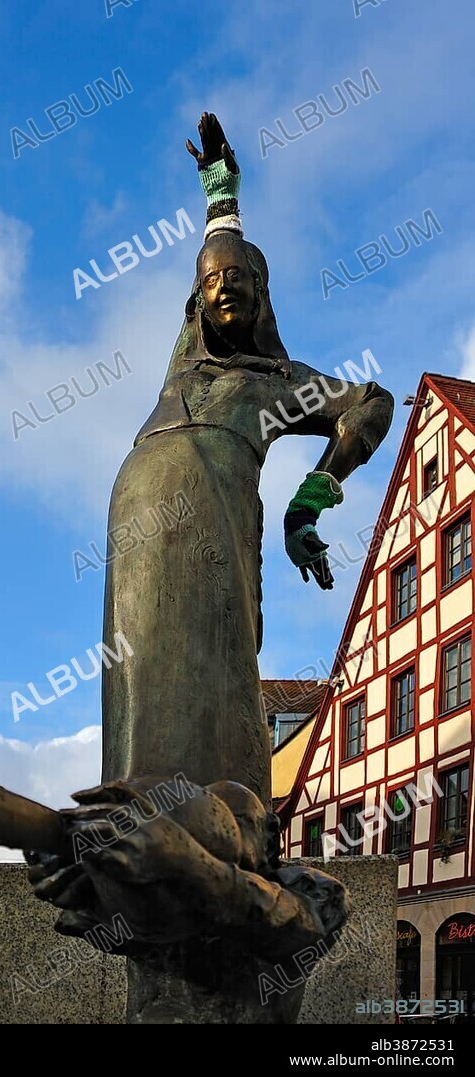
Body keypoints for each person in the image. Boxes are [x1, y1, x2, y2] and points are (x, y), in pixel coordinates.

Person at [101, 114, 393, 800]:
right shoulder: (185, 363)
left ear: (262, 295)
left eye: (240, 278)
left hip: (210, 513)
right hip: (136, 513)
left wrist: (309, 501)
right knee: (136, 667)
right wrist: (218, 195)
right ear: (194, 301)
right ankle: (135, 802)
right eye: (211, 281)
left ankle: (225, 808)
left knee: (215, 656)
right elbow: (213, 251)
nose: (224, 285)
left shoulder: (278, 382)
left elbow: (372, 402)